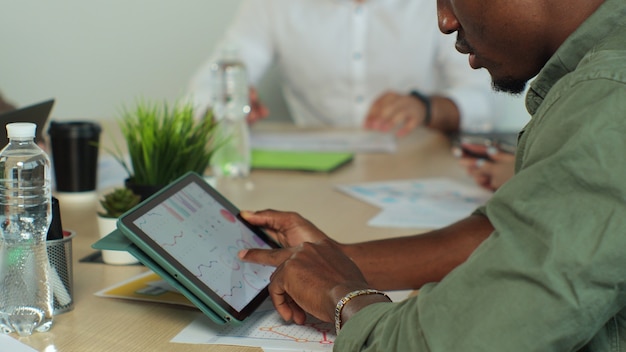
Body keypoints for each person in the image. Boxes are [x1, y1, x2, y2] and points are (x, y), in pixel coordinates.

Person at [236, 0, 626, 350]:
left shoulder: (608, 95)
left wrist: (343, 297)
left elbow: (458, 339)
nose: (443, 20)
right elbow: (525, 231)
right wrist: (336, 260)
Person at [188, 0, 498, 136]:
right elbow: (207, 88)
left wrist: (425, 107)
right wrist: (224, 104)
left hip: (417, 165)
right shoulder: (272, 4)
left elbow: (481, 104)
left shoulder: (437, 4)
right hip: (316, 180)